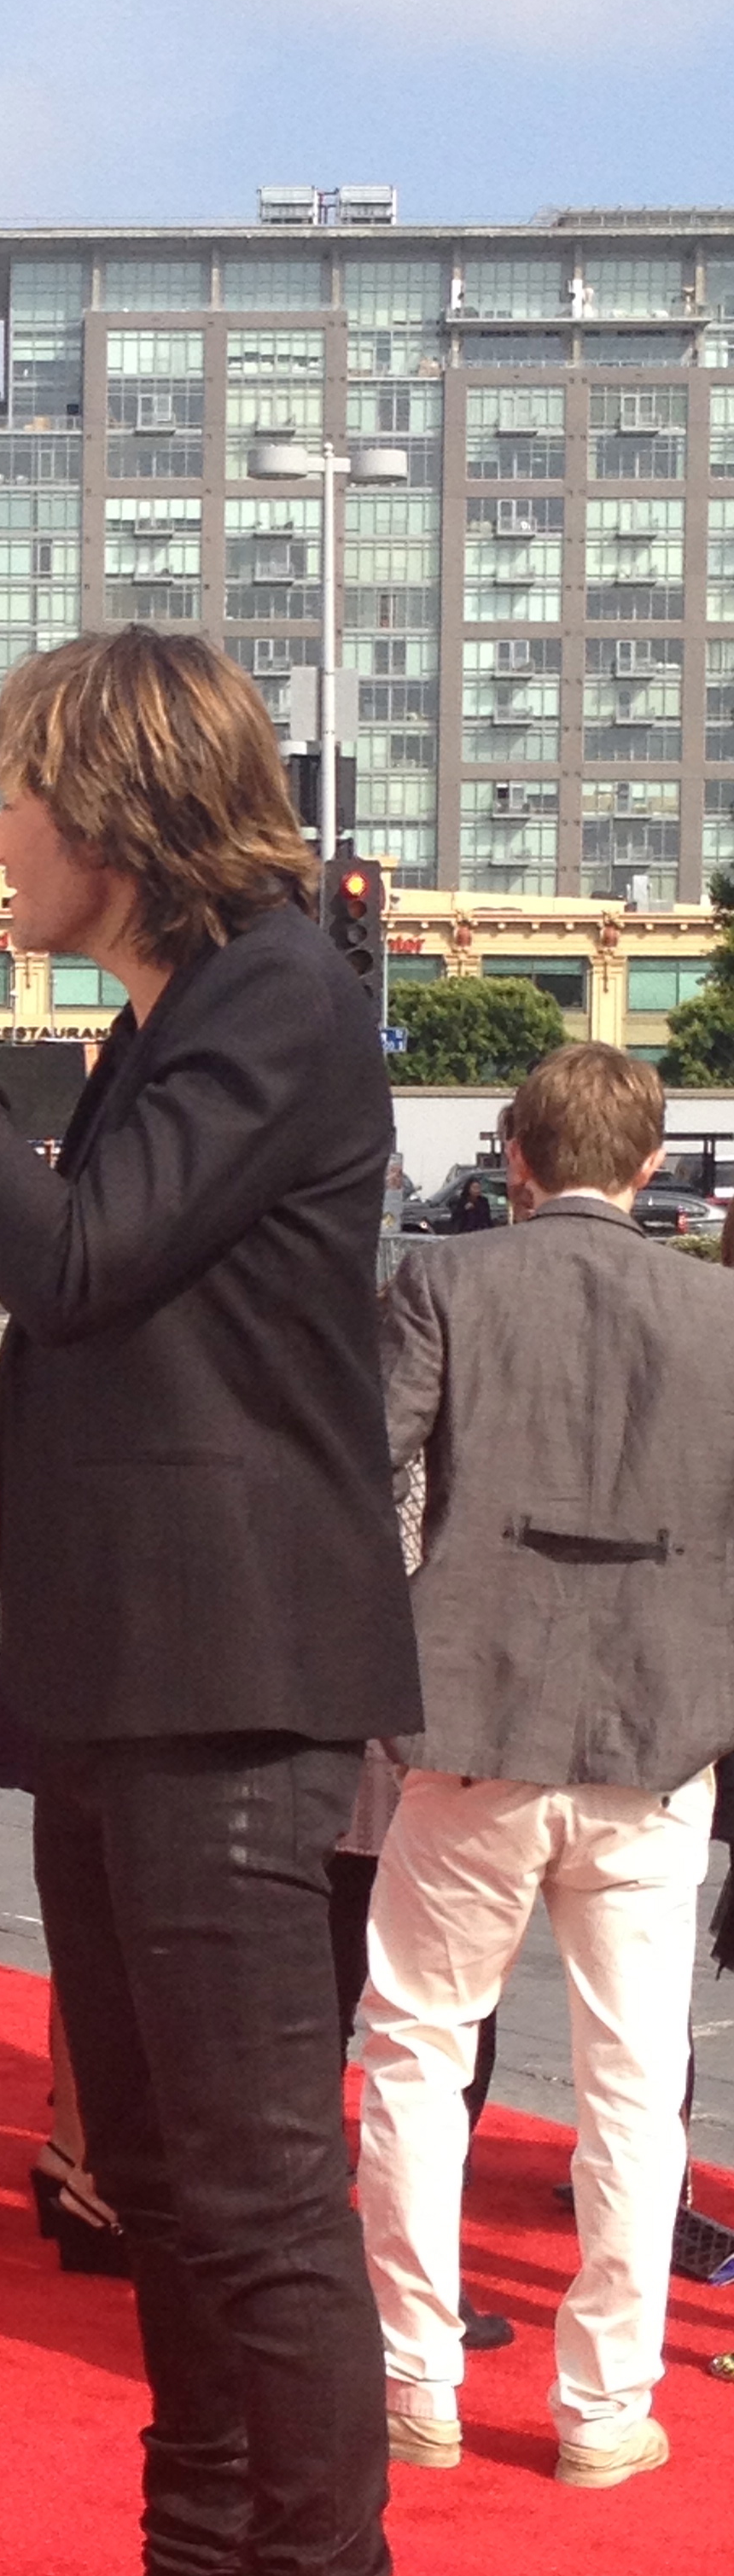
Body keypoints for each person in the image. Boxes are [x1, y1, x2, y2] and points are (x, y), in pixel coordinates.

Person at [0, 627, 422, 2576]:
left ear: (111, 807)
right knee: (155, 2184)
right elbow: (77, 1300)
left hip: (237, 1675)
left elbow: (78, 1265)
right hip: (119, 1667)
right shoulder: (153, 1032)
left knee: (256, 2198)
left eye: (8, 796)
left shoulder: (277, 999)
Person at [358, 1042, 734, 2490]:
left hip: (470, 1715)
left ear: (510, 1151)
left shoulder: (448, 1282)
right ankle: (599, 2403)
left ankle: (416, 2375)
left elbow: (364, 1474)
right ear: (649, 1165)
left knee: (411, 2044)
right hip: (654, 1737)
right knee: (633, 2081)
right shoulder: (716, 1309)